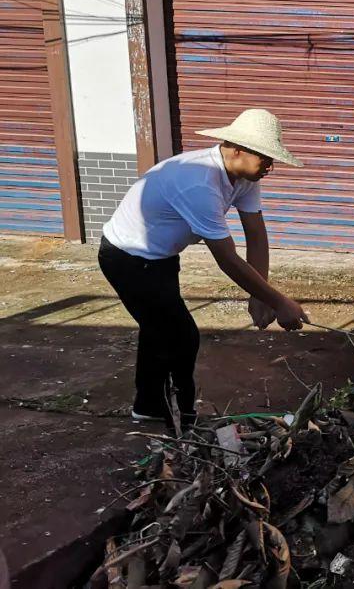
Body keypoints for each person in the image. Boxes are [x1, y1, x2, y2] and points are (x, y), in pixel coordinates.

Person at [99, 109, 309, 430]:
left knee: (158, 327)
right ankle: (183, 417)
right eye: (265, 156)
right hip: (126, 257)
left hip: (162, 256)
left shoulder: (244, 176)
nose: (271, 164)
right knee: (182, 337)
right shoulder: (201, 183)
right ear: (237, 148)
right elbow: (226, 258)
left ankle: (149, 407)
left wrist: (262, 296)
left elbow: (256, 234)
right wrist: (280, 301)